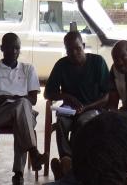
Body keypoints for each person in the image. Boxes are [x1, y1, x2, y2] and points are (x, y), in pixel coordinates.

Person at [44, 29, 114, 168]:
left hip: (92, 108)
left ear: (83, 45)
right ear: (66, 50)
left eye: (78, 48)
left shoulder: (97, 62)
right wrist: (66, 96)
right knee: (62, 122)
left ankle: (78, 163)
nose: (74, 53)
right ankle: (66, 160)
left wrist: (86, 107)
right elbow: (48, 93)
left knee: (84, 123)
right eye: (70, 50)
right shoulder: (62, 65)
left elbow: (107, 95)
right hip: (70, 109)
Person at [0, 32, 44, 185]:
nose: (13, 51)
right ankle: (33, 153)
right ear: (1, 48)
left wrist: (18, 100)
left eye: (17, 48)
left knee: (23, 109)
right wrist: (4, 98)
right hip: (0, 114)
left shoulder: (28, 69)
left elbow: (32, 99)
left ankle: (18, 176)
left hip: (24, 113)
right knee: (23, 111)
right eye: (9, 48)